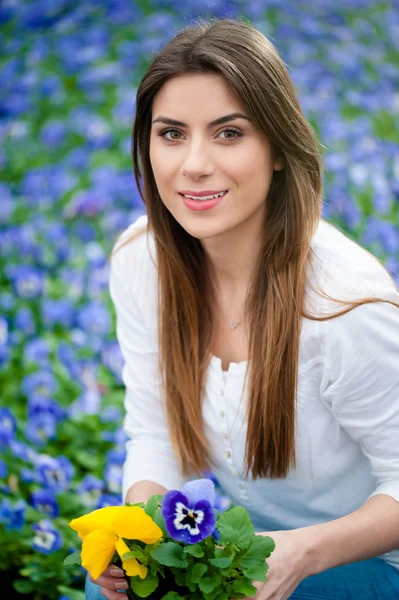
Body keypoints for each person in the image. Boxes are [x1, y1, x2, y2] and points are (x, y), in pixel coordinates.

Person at [85, 15, 399, 600]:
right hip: (252, 547)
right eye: (171, 133)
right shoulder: (140, 260)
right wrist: (142, 535)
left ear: (279, 148)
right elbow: (155, 432)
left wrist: (302, 552)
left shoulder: (345, 306)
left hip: (372, 562)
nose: (193, 164)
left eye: (229, 133)